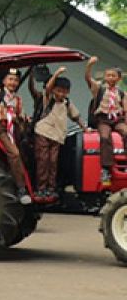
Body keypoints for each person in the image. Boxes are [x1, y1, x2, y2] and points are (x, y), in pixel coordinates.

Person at [34, 68, 83, 200]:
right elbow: (49, 87)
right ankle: (41, 189)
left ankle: (51, 188)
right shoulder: (48, 98)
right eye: (59, 90)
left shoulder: (67, 103)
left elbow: (76, 116)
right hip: (43, 133)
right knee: (43, 162)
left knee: (53, 163)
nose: (61, 94)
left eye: (64, 91)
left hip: (57, 137)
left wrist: (85, 127)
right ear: (54, 90)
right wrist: (57, 74)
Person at [0, 60, 30, 203]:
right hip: (0, 128)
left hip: (14, 129)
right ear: (4, 81)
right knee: (14, 153)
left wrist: (25, 119)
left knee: (25, 153)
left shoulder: (17, 99)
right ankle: (21, 189)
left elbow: (21, 115)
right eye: (10, 79)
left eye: (16, 80)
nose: (13, 82)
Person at [86, 56, 126, 184]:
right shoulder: (100, 88)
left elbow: (125, 108)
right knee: (104, 136)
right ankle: (106, 168)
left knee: (126, 132)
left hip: (118, 119)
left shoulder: (121, 92)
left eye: (113, 76)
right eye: (108, 75)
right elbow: (88, 79)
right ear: (105, 77)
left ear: (118, 78)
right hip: (103, 119)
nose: (110, 78)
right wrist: (89, 66)